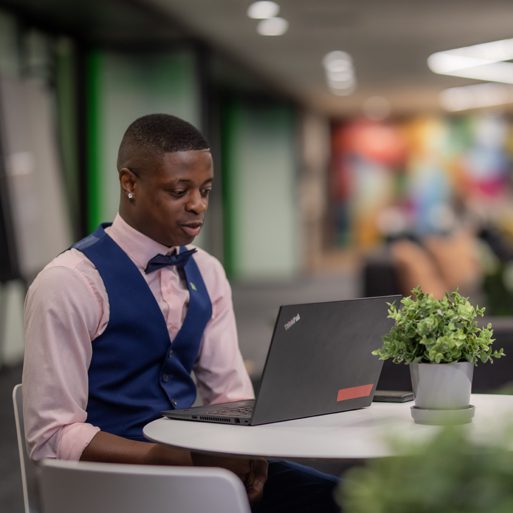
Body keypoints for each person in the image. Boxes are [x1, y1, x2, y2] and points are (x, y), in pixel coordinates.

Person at [23, 113, 339, 512]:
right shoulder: (69, 282)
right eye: (179, 191)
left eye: (205, 190)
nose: (198, 205)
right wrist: (173, 460)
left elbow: (229, 392)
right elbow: (52, 435)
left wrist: (250, 454)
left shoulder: (207, 270)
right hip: (111, 480)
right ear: (129, 183)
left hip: (198, 464)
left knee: (347, 498)